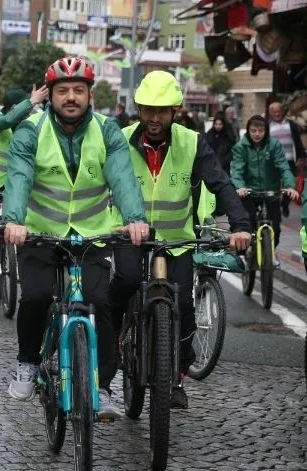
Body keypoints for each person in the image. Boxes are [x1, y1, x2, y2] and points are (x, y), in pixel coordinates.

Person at [1, 57, 149, 420]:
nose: (71, 97)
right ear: (50, 95)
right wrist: (14, 221)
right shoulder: (30, 131)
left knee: (100, 303)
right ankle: (27, 362)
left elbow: (122, 177)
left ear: (90, 95)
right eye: (63, 90)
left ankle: (102, 387)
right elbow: (19, 177)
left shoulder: (108, 130)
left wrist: (134, 218)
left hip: (91, 236)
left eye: (78, 90)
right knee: (35, 297)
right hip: (39, 234)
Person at [108, 71, 252, 410]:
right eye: (148, 110)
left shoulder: (192, 142)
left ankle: (176, 376)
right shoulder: (119, 139)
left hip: (177, 240)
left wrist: (241, 225)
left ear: (175, 111)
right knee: (125, 281)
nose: (154, 118)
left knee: (184, 305)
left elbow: (220, 183)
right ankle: (110, 343)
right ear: (139, 110)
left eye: (162, 111)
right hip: (128, 235)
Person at [0, 86, 47, 267]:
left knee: (19, 219)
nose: (28, 112)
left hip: (10, 184)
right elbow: (7, 120)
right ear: (14, 107)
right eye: (25, 107)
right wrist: (31, 102)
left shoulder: (25, 126)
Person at [231, 115, 299, 250]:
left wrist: (290, 186)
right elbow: (237, 170)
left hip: (271, 192)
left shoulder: (274, 145)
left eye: (260, 131)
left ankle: (268, 254)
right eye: (253, 131)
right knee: (246, 224)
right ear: (248, 131)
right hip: (249, 192)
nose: (257, 134)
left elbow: (283, 166)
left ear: (266, 131)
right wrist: (239, 187)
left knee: (276, 230)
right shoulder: (241, 147)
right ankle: (244, 254)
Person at [267, 100, 306, 217]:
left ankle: (285, 204)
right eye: (274, 112)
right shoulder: (267, 126)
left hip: (289, 160)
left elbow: (298, 142)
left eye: (279, 111)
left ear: (283, 111)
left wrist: (302, 157)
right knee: (274, 185)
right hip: (273, 162)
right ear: (270, 113)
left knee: (290, 184)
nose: (277, 114)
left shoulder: (291, 125)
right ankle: (275, 208)